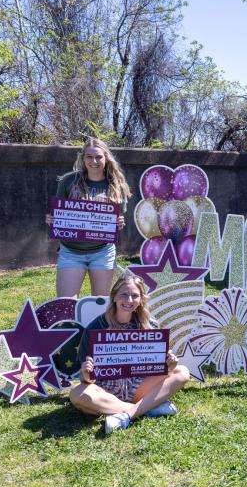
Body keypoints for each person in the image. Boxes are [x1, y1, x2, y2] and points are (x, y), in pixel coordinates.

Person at [69, 273, 190, 434]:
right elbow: (86, 379)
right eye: (124, 294)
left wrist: (169, 365)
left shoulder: (150, 325)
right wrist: (86, 373)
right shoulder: (96, 327)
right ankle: (146, 408)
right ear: (114, 297)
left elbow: (157, 367)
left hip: (138, 387)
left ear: (141, 299)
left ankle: (126, 415)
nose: (129, 300)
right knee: (77, 393)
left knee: (182, 372)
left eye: (135, 295)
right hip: (105, 390)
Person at [46, 137, 131, 297]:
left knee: (100, 304)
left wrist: (119, 222)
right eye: (89, 157)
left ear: (106, 158)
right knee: (66, 304)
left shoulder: (116, 185)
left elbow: (117, 219)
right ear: (83, 158)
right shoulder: (68, 181)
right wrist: (53, 219)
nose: (94, 161)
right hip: (70, 251)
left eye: (99, 157)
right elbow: (59, 212)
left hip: (103, 252)